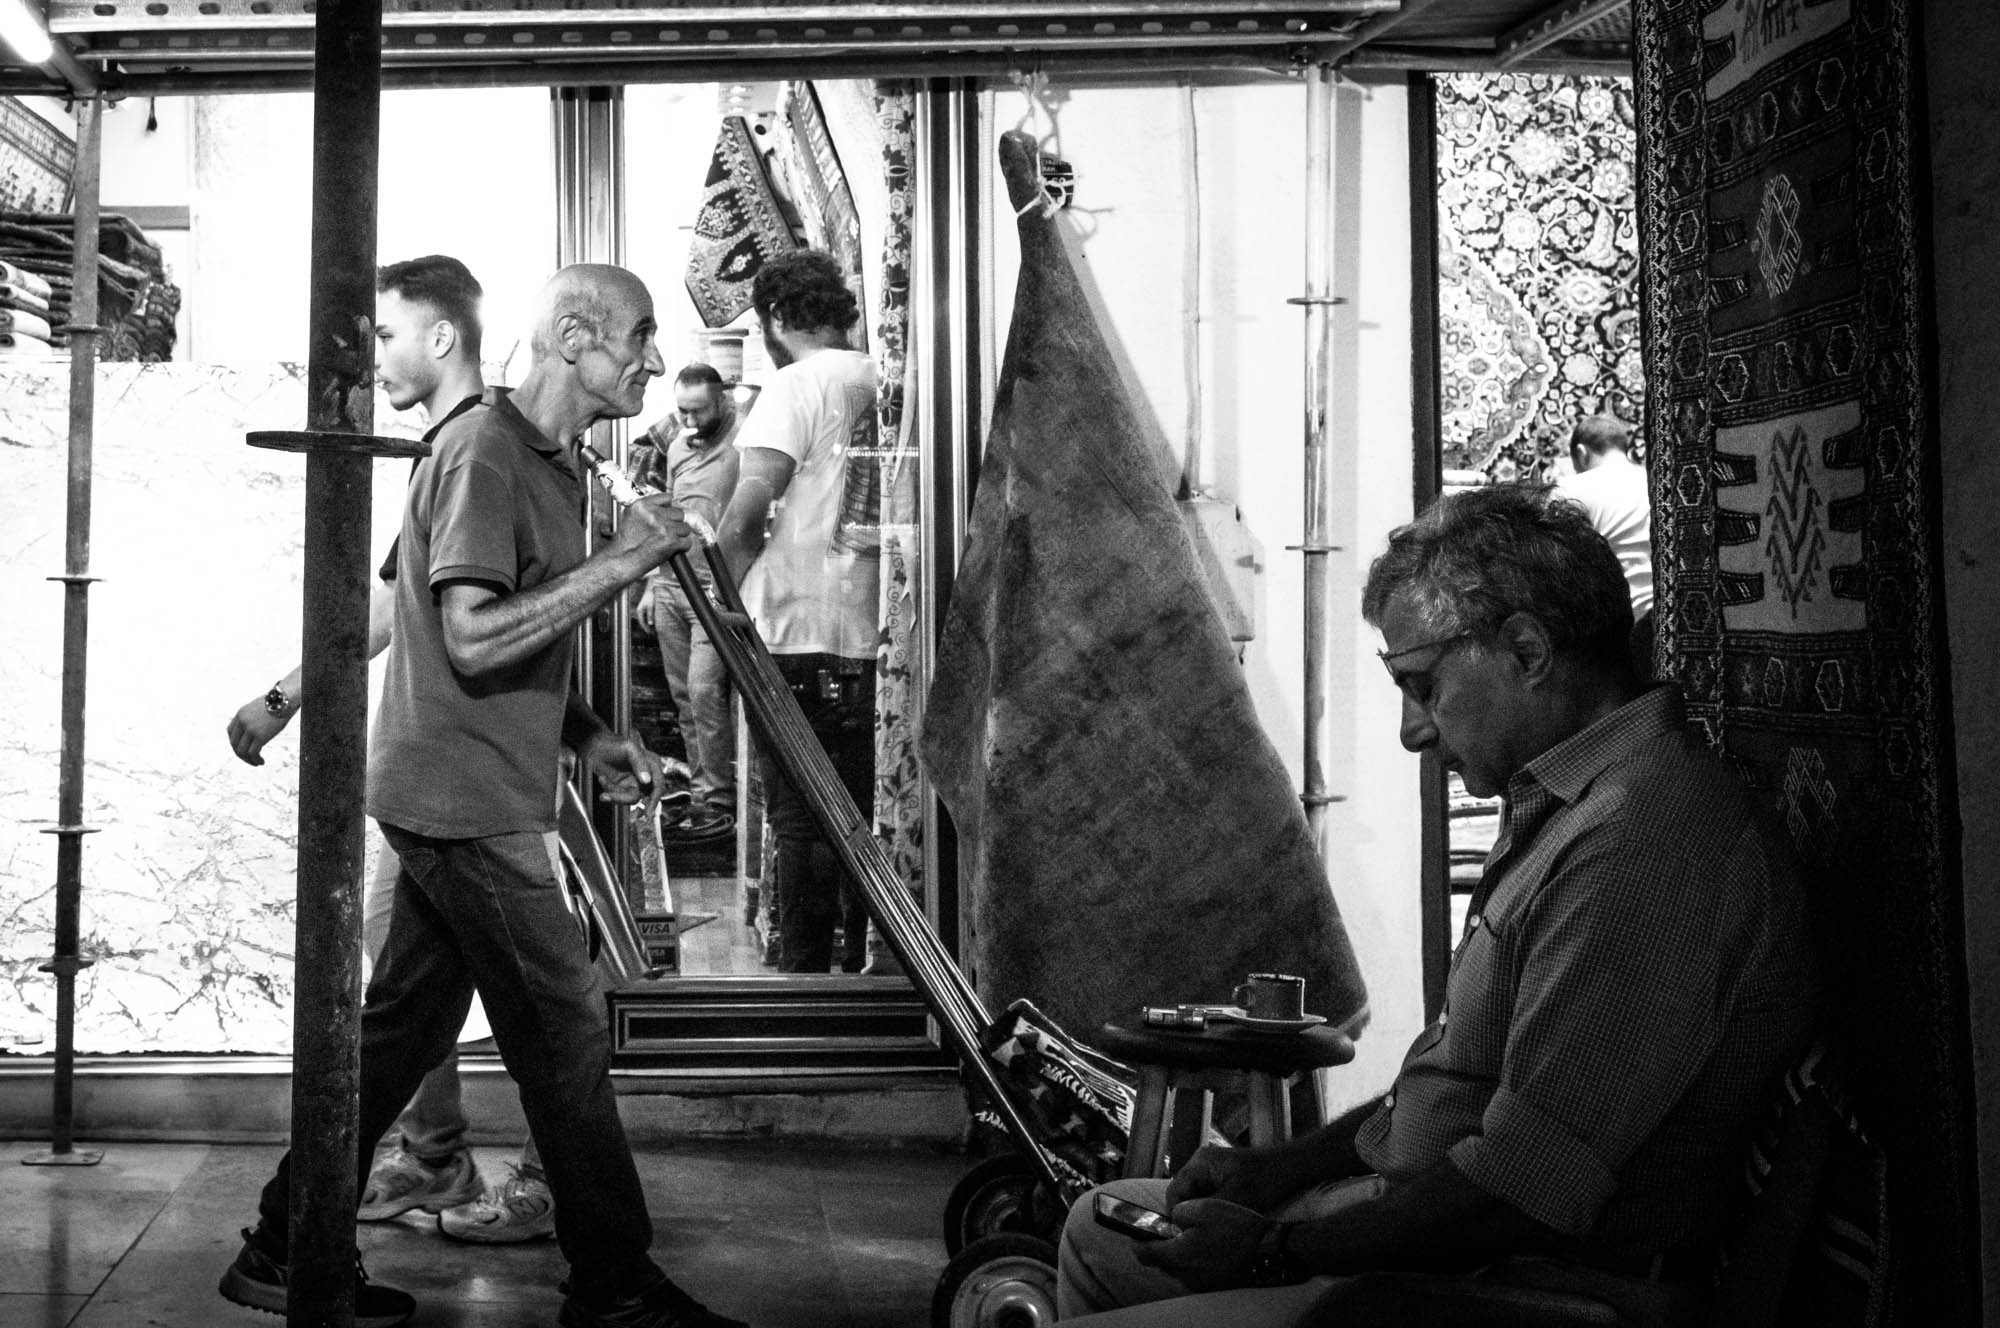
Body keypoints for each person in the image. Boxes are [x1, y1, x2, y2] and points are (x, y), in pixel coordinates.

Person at [1055, 484, 1819, 1328]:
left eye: (1424, 686)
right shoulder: (1563, 805)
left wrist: (1278, 1252)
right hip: (1430, 1236)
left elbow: (1518, 1192)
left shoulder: (1645, 842)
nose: (1414, 731)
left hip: (1514, 1286)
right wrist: (1276, 1174)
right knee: (1102, 1224)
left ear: (1526, 651)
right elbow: (1452, 1082)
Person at [219, 263, 747, 1328]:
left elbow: (505, 636)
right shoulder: (482, 452)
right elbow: (463, 634)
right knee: (562, 1035)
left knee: (400, 1032)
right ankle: (615, 1284)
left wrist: (591, 736)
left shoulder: (550, 465)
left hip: (469, 787)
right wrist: (629, 560)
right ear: (572, 336)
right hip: (460, 803)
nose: (653, 357)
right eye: (638, 335)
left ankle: (284, 1240)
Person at [225, 255, 560, 1247]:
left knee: (544, 1014)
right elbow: (386, 606)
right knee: (415, 1000)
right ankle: (406, 1167)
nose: (371, 357)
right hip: (431, 785)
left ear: (441, 336)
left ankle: (542, 1202)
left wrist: (571, 736)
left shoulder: (484, 450)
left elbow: (495, 625)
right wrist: (286, 692)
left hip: (476, 786)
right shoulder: (449, 450)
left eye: (384, 334)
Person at [716, 250, 880, 975]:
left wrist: (719, 594)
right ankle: (863, 967)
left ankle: (806, 978)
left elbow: (747, 517)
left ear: (777, 319)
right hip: (875, 630)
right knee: (860, 809)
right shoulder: (886, 378)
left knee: (800, 816)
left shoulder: (794, 386)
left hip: (793, 625)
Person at [629, 362, 746, 840]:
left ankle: (719, 796)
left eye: (700, 410)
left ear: (722, 402)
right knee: (683, 696)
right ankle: (702, 796)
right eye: (683, 410)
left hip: (715, 590)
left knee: (704, 691)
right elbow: (669, 519)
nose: (691, 420)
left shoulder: (744, 441)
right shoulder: (674, 443)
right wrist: (653, 585)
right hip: (674, 584)